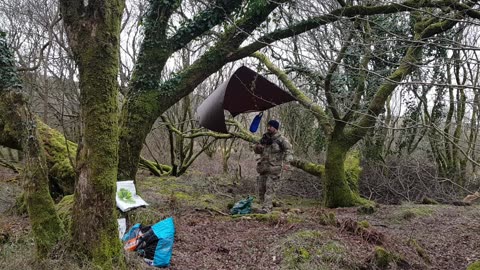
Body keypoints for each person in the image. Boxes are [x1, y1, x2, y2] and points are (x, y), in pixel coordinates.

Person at [253, 119, 293, 213]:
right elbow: (256, 150)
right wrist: (257, 147)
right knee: (261, 188)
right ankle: (262, 207)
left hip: (274, 168)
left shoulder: (281, 139)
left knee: (269, 189)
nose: (268, 128)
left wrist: (287, 163)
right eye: (268, 126)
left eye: (270, 126)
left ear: (275, 128)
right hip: (263, 168)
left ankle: (267, 208)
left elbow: (289, 151)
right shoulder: (264, 138)